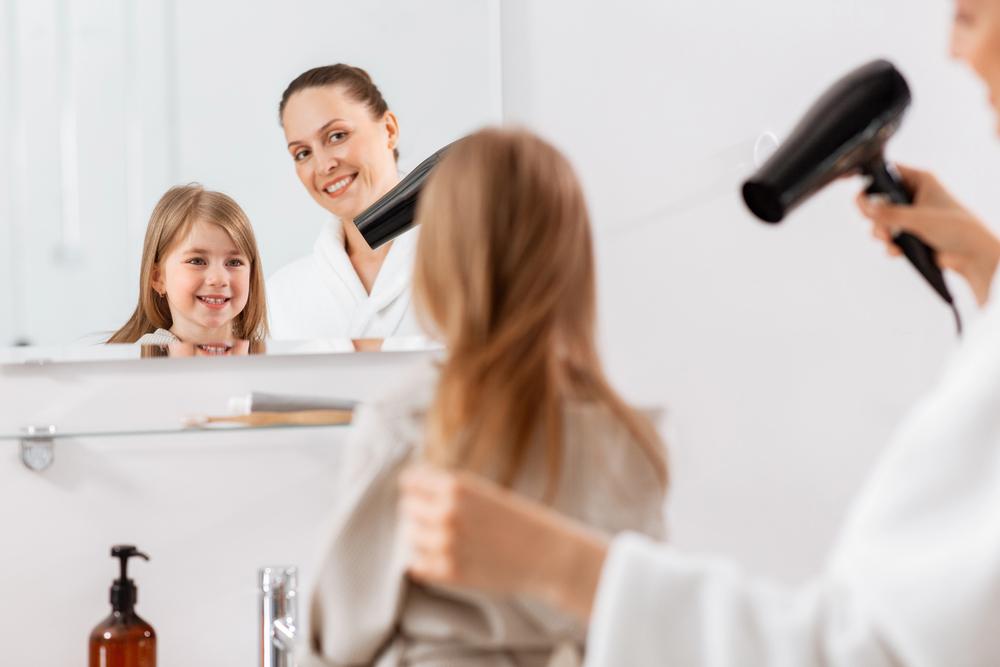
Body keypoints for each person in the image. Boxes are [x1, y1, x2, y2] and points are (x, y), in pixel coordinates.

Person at [397, 2, 1000, 665]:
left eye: (973, 11)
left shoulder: (404, 431)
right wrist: (988, 266)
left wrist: (565, 565)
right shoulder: (629, 440)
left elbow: (868, 651)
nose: (954, 48)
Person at [298, 129, 669, 667]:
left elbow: (338, 640)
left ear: (441, 261)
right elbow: (648, 625)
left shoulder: (411, 422)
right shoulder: (632, 439)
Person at [268, 64, 424, 350]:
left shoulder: (471, 258)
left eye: (337, 136)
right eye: (303, 153)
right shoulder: (282, 295)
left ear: (389, 130)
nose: (324, 165)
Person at [108, 184, 268, 354]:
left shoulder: (266, 357)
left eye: (234, 263)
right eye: (197, 261)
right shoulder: (138, 362)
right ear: (157, 277)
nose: (219, 278)